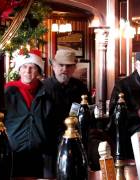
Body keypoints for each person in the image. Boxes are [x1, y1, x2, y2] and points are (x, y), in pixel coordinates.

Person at [42, 49, 90, 177]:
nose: (64, 69)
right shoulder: (43, 87)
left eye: (68, 66)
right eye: (61, 65)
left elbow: (86, 114)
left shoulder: (81, 87)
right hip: (50, 145)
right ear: (53, 65)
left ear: (74, 67)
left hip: (75, 140)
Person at [4, 49, 50, 178]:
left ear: (38, 71)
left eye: (32, 67)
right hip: (14, 152)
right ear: (19, 70)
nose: (27, 71)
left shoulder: (45, 93)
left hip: (39, 154)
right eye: (24, 66)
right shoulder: (9, 91)